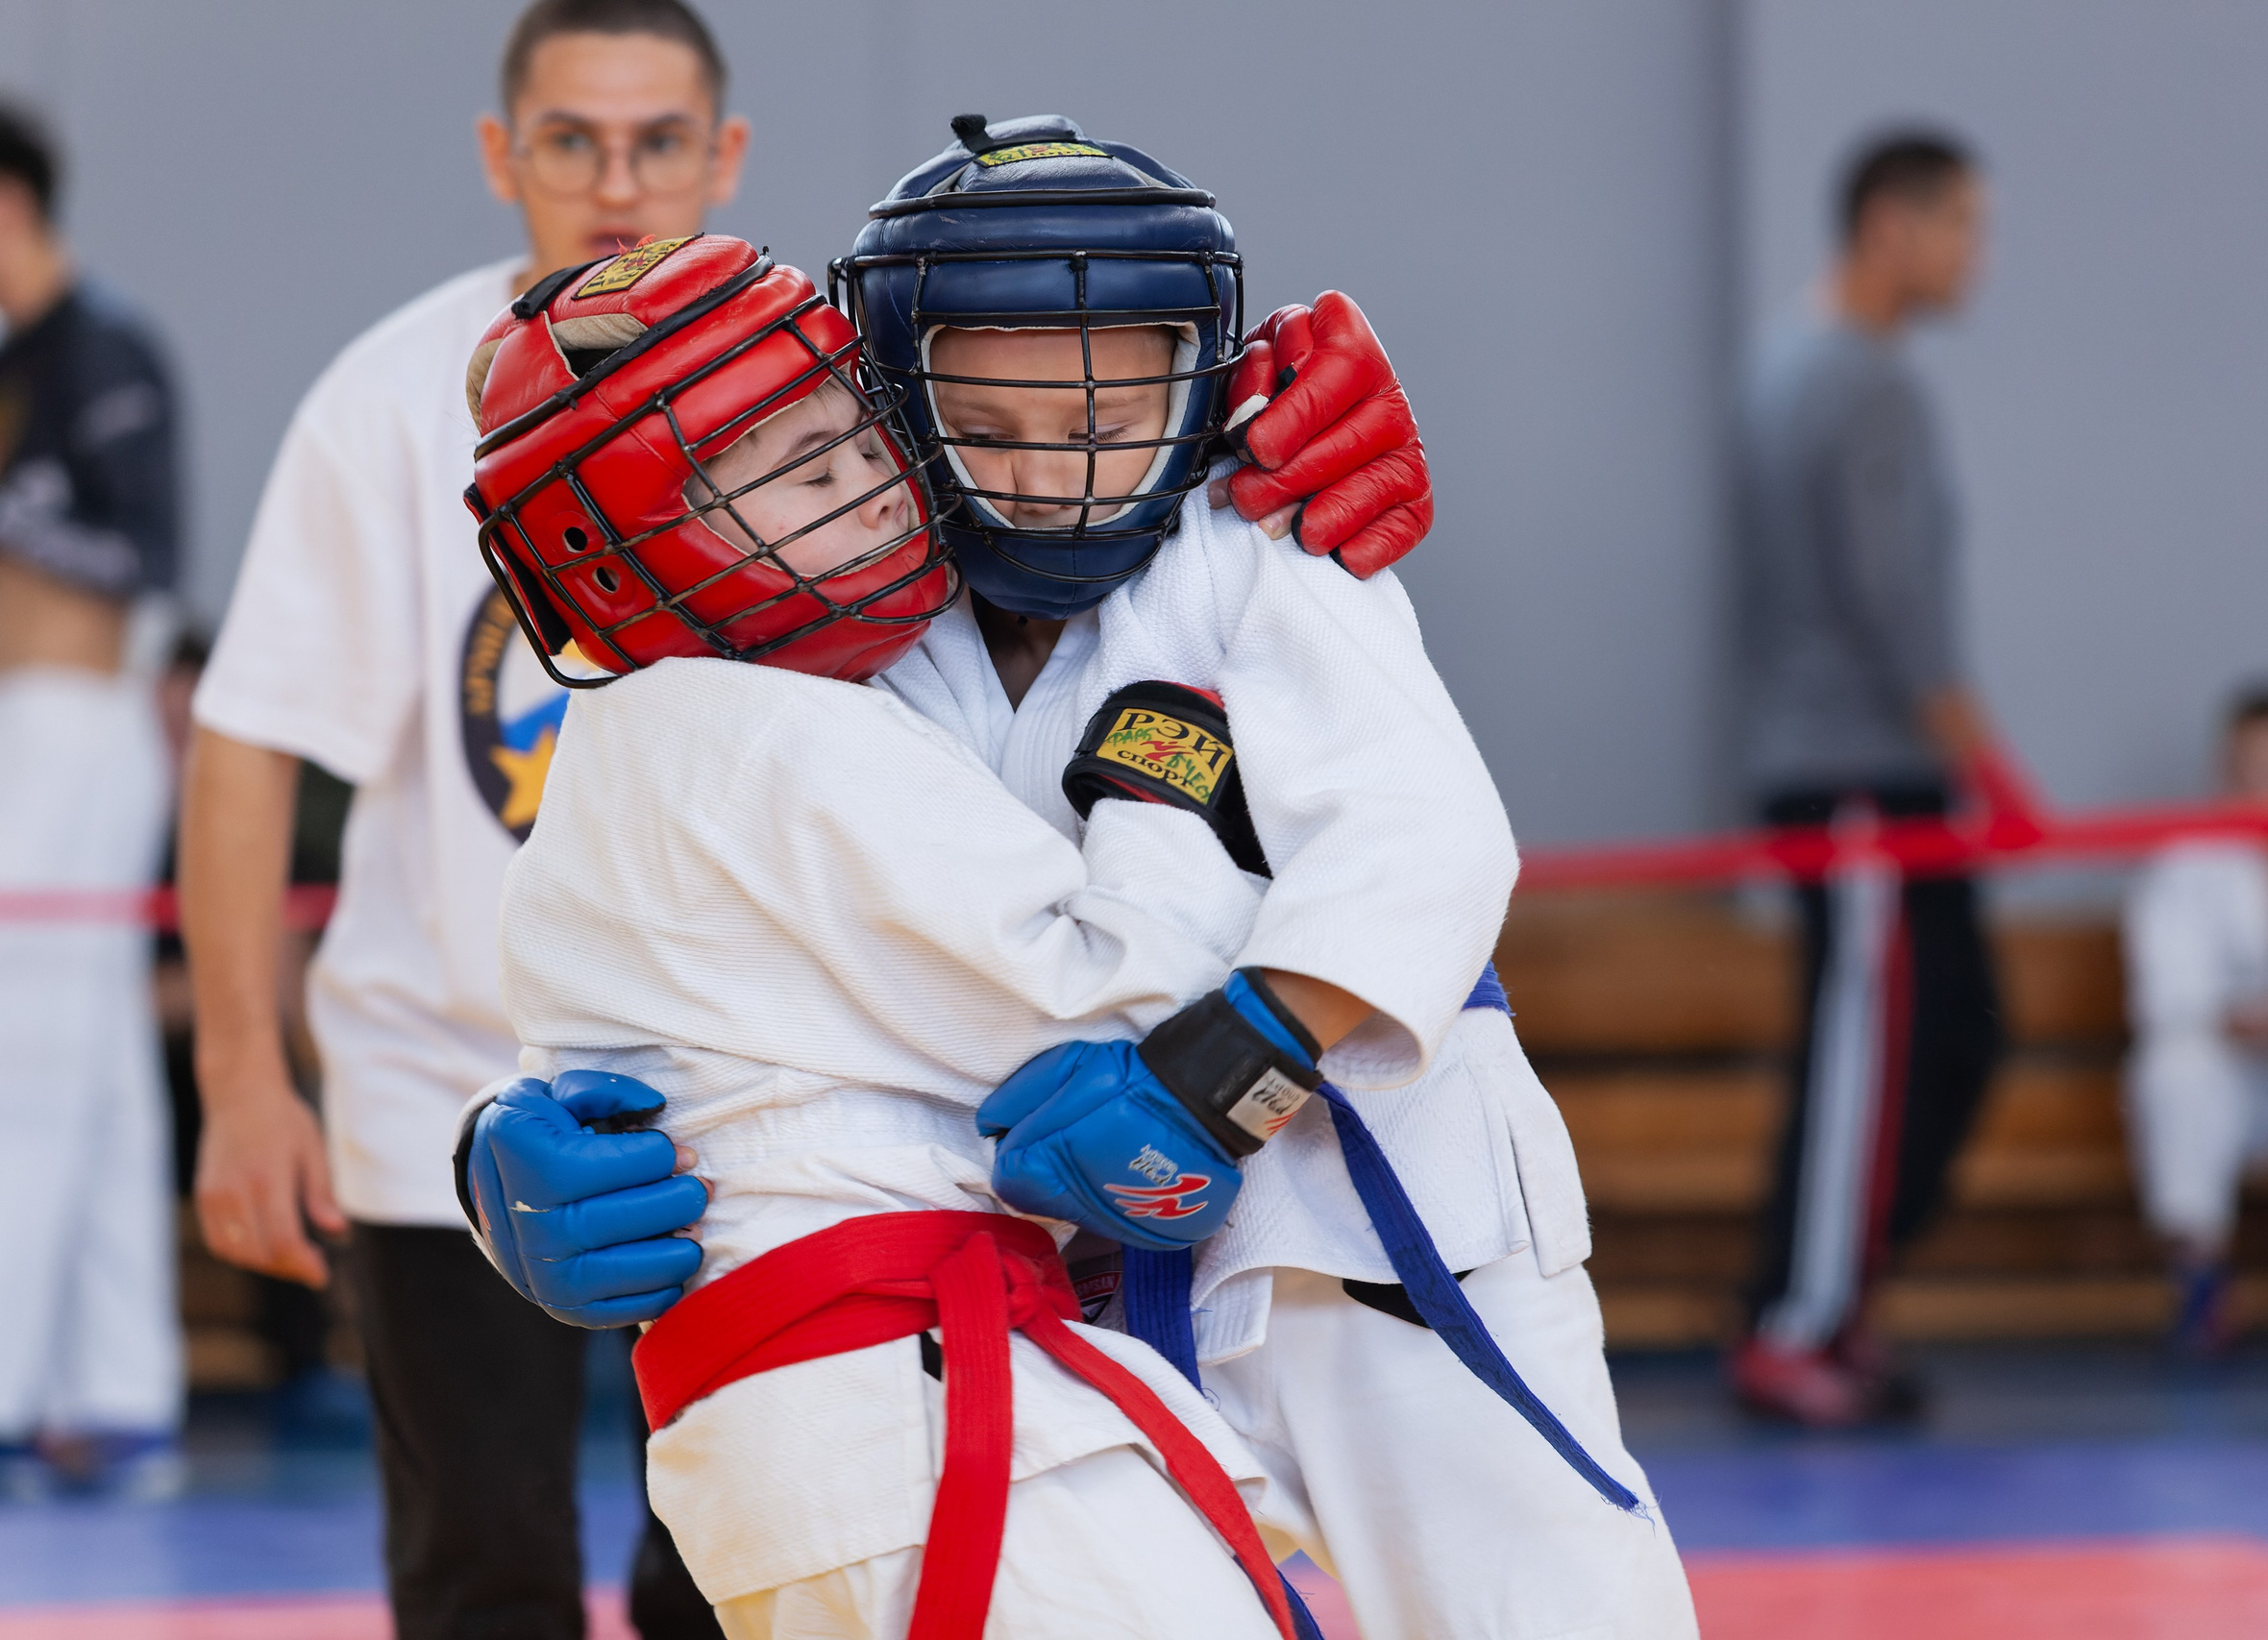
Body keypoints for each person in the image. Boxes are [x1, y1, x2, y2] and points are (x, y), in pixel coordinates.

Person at [180, 16, 1429, 1640]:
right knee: (484, 1572)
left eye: (658, 141)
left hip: (876, 1200)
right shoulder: (411, 421)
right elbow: (254, 739)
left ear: (729, 151)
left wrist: (1248, 440)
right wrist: (276, 1085)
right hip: (556, 1122)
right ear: (506, 156)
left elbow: (1082, 412)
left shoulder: (854, 385)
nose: (618, 183)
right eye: (573, 141)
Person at [466, 121, 1691, 1640]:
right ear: (886, 399)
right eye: (990, 424)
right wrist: (512, 1128)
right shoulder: (831, 621)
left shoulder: (1259, 529)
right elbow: (695, 941)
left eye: (1112, 416)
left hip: (1382, 1224)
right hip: (1071, 1276)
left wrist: (1232, 1062)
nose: (1060, 474)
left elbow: (1429, 837)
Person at [1728, 128, 2035, 1427]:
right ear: (1891, 227)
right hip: (1863, 773)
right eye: (1964, 223)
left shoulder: (1791, 367)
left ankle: (1831, 1304)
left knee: (1945, 1035)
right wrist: (1991, 767)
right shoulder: (1859, 381)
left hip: (1859, 765)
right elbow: (1892, 598)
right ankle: (1796, 1321)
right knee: (1871, 1053)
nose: (1979, 253)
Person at [0, 97, 185, 1500]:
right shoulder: (21, 361)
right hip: (28, 724)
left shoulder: (103, 349)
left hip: (77, 726)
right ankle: (114, 1387)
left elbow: (142, 559)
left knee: (34, 1044)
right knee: (96, 1058)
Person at [2125, 686, 2268, 1355]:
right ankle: (2200, 1277)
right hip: (2241, 1077)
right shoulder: (2187, 858)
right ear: (2225, 772)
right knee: (2174, 1068)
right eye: (2252, 766)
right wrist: (2253, 1022)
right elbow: (2168, 996)